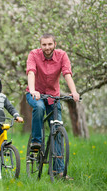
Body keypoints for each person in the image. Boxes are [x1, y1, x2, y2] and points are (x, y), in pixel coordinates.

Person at [25, 33, 80, 180]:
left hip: (53, 96)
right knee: (39, 107)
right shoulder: (33, 55)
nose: (47, 47)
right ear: (40, 45)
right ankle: (36, 141)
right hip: (35, 94)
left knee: (57, 130)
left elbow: (67, 74)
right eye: (44, 45)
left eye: (50, 44)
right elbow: (31, 72)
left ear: (55, 44)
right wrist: (32, 90)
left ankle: (59, 172)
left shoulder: (62, 55)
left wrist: (74, 92)